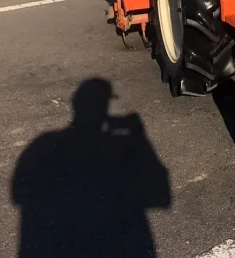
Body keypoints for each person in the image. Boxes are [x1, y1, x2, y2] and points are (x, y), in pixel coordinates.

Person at [12, 79, 170, 257]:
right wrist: (140, 138)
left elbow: (20, 195)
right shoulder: (115, 147)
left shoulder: (44, 144)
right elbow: (160, 195)